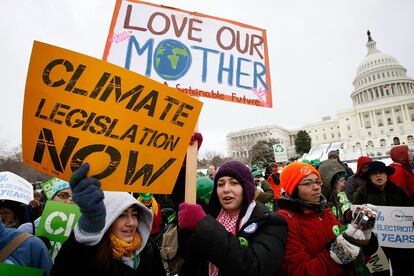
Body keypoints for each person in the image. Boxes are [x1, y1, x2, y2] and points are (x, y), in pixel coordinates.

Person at [52, 163, 166, 276]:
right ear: (108, 217)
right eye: (122, 215)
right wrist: (89, 225)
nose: (131, 223)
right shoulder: (91, 253)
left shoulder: (149, 249)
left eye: (135, 214)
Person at [178, 160, 288, 275]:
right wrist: (184, 163)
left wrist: (204, 225)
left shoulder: (271, 222)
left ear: (247, 188)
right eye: (220, 184)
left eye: (234, 183)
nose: (226, 189)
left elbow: (255, 268)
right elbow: (190, 258)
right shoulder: (211, 216)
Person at [278, 162, 378, 275]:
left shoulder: (324, 212)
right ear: (293, 189)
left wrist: (363, 239)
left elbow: (352, 255)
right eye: (307, 183)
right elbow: (299, 272)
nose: (316, 187)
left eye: (317, 182)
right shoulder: (286, 221)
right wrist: (338, 255)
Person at [353, 161, 414, 275]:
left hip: (398, 240)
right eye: (374, 173)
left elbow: (410, 209)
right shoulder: (362, 192)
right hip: (374, 242)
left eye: (381, 172)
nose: (378, 176)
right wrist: (353, 214)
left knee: (404, 268)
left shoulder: (398, 190)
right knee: (380, 271)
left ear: (386, 174)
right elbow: (353, 213)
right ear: (369, 177)